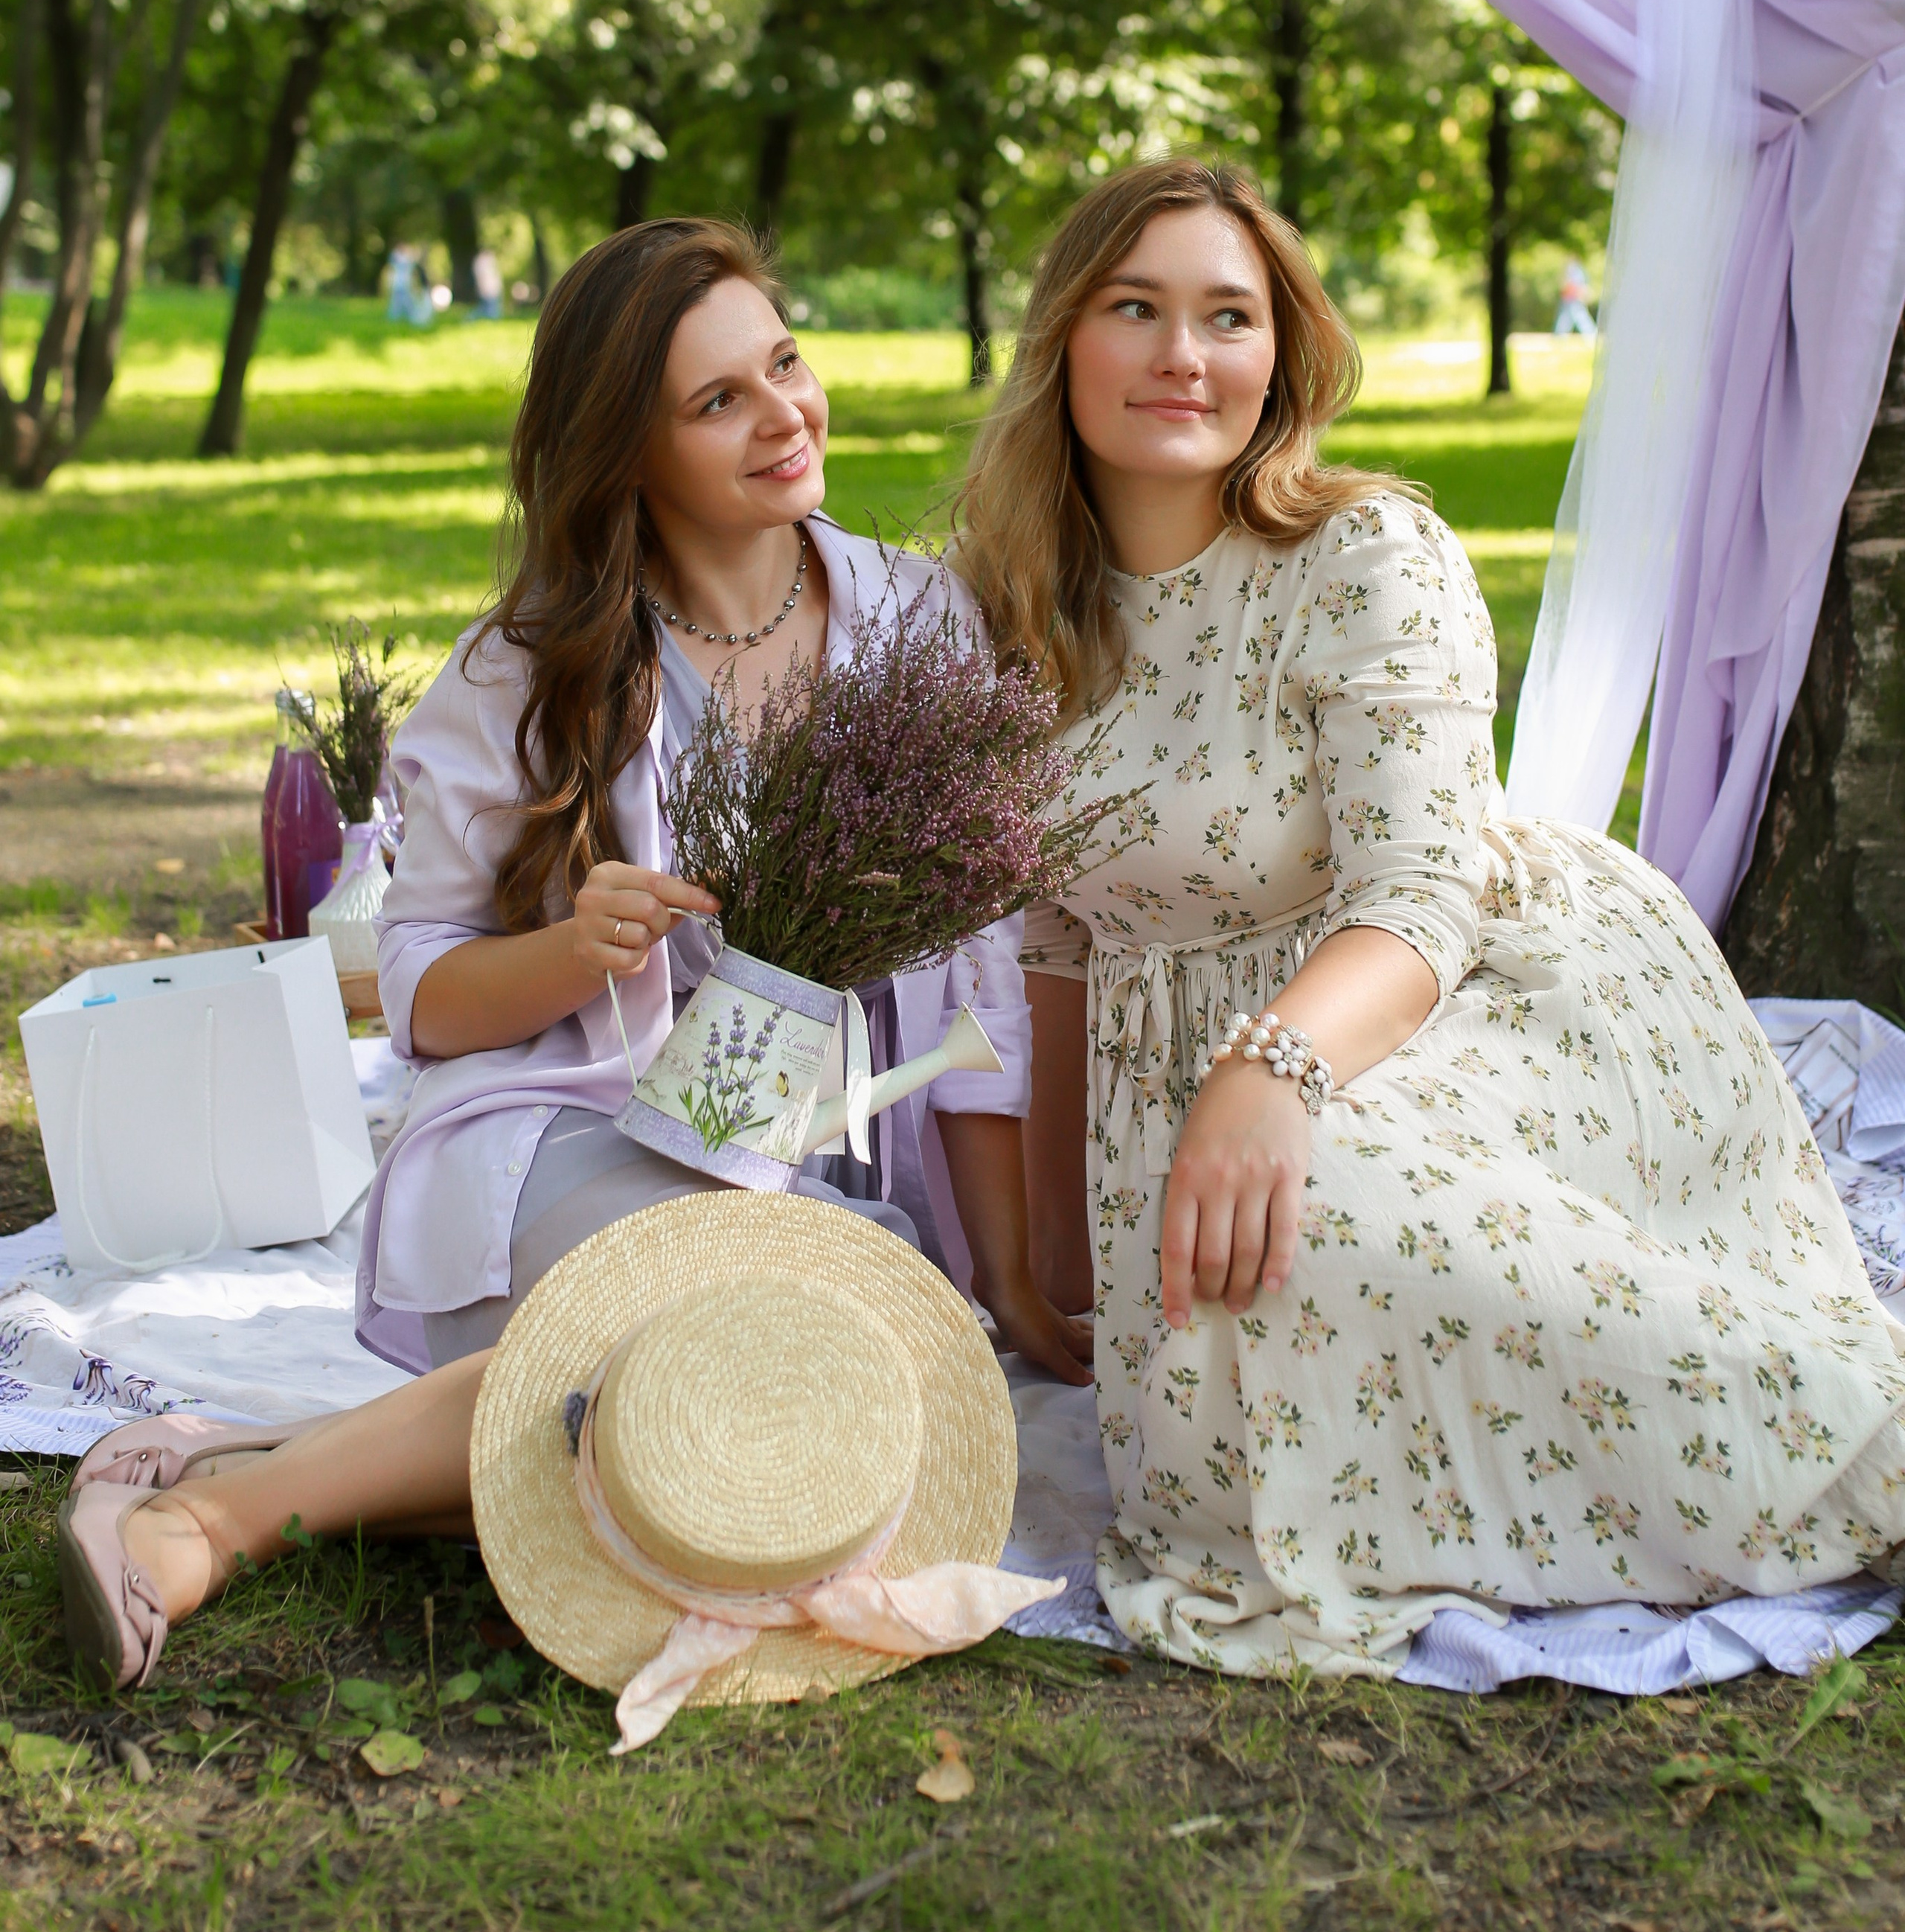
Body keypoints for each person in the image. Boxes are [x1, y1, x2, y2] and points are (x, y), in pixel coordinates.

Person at [58, 219, 1086, 1691]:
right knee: (724, 1339)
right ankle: (208, 1527)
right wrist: (569, 949)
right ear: (627, 449)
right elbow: (420, 1002)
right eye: (715, 401)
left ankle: (238, 1453)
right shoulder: (527, 671)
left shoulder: (922, 624)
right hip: (574, 1144)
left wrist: (1006, 1279)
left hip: (831, 1167)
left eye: (782, 363)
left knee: (840, 1380)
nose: (781, 413)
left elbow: (985, 977)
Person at [953, 158, 1905, 1677]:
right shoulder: (1010, 610)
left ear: (1281, 355)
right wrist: (1054, 1267)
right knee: (1237, 1327)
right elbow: (1061, 940)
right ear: (1065, 335)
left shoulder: (1359, 558)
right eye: (1134, 309)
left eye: (1226, 316)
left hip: (1459, 988)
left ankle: (1848, 1444)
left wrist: (1267, 1072)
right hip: (1192, 1073)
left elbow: (1419, 889)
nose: (1182, 355)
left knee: (1331, 1205)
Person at [1554, 259, 1595, 338]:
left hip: (1574, 300)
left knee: (1580, 317)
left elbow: (1579, 287)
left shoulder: (1576, 273)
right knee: (1567, 318)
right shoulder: (1573, 273)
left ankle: (1590, 334)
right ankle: (1560, 335)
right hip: (1570, 300)